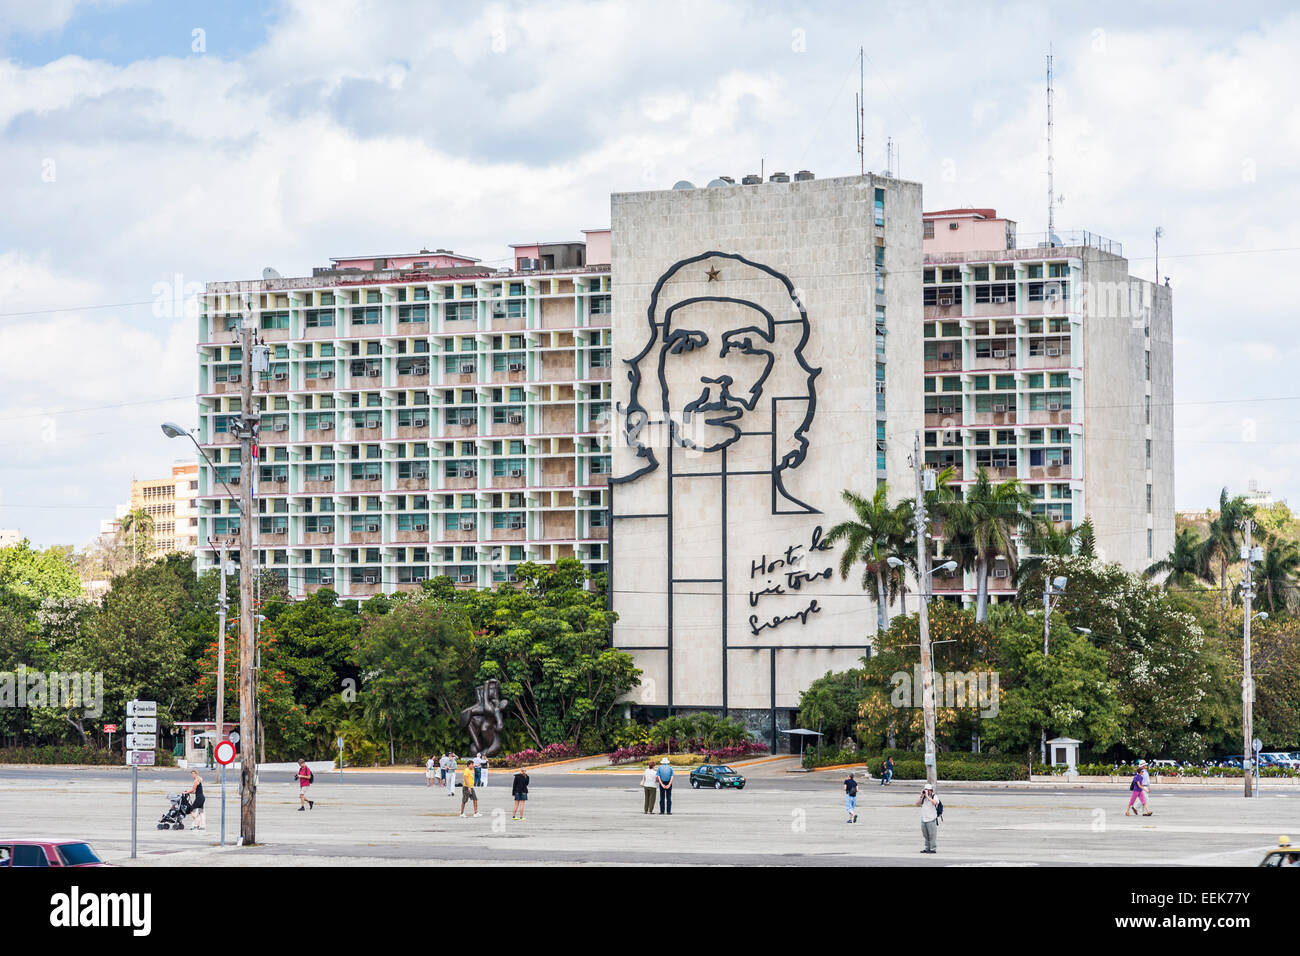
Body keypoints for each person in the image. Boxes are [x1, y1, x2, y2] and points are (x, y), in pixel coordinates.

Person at [916, 782, 939, 853]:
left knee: (932, 835)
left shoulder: (934, 796)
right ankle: (927, 848)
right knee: (925, 835)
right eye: (925, 789)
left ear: (931, 790)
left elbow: (935, 803)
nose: (926, 791)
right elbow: (917, 804)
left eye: (928, 790)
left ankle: (933, 849)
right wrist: (921, 796)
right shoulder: (923, 797)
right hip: (924, 818)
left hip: (931, 819)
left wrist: (928, 797)